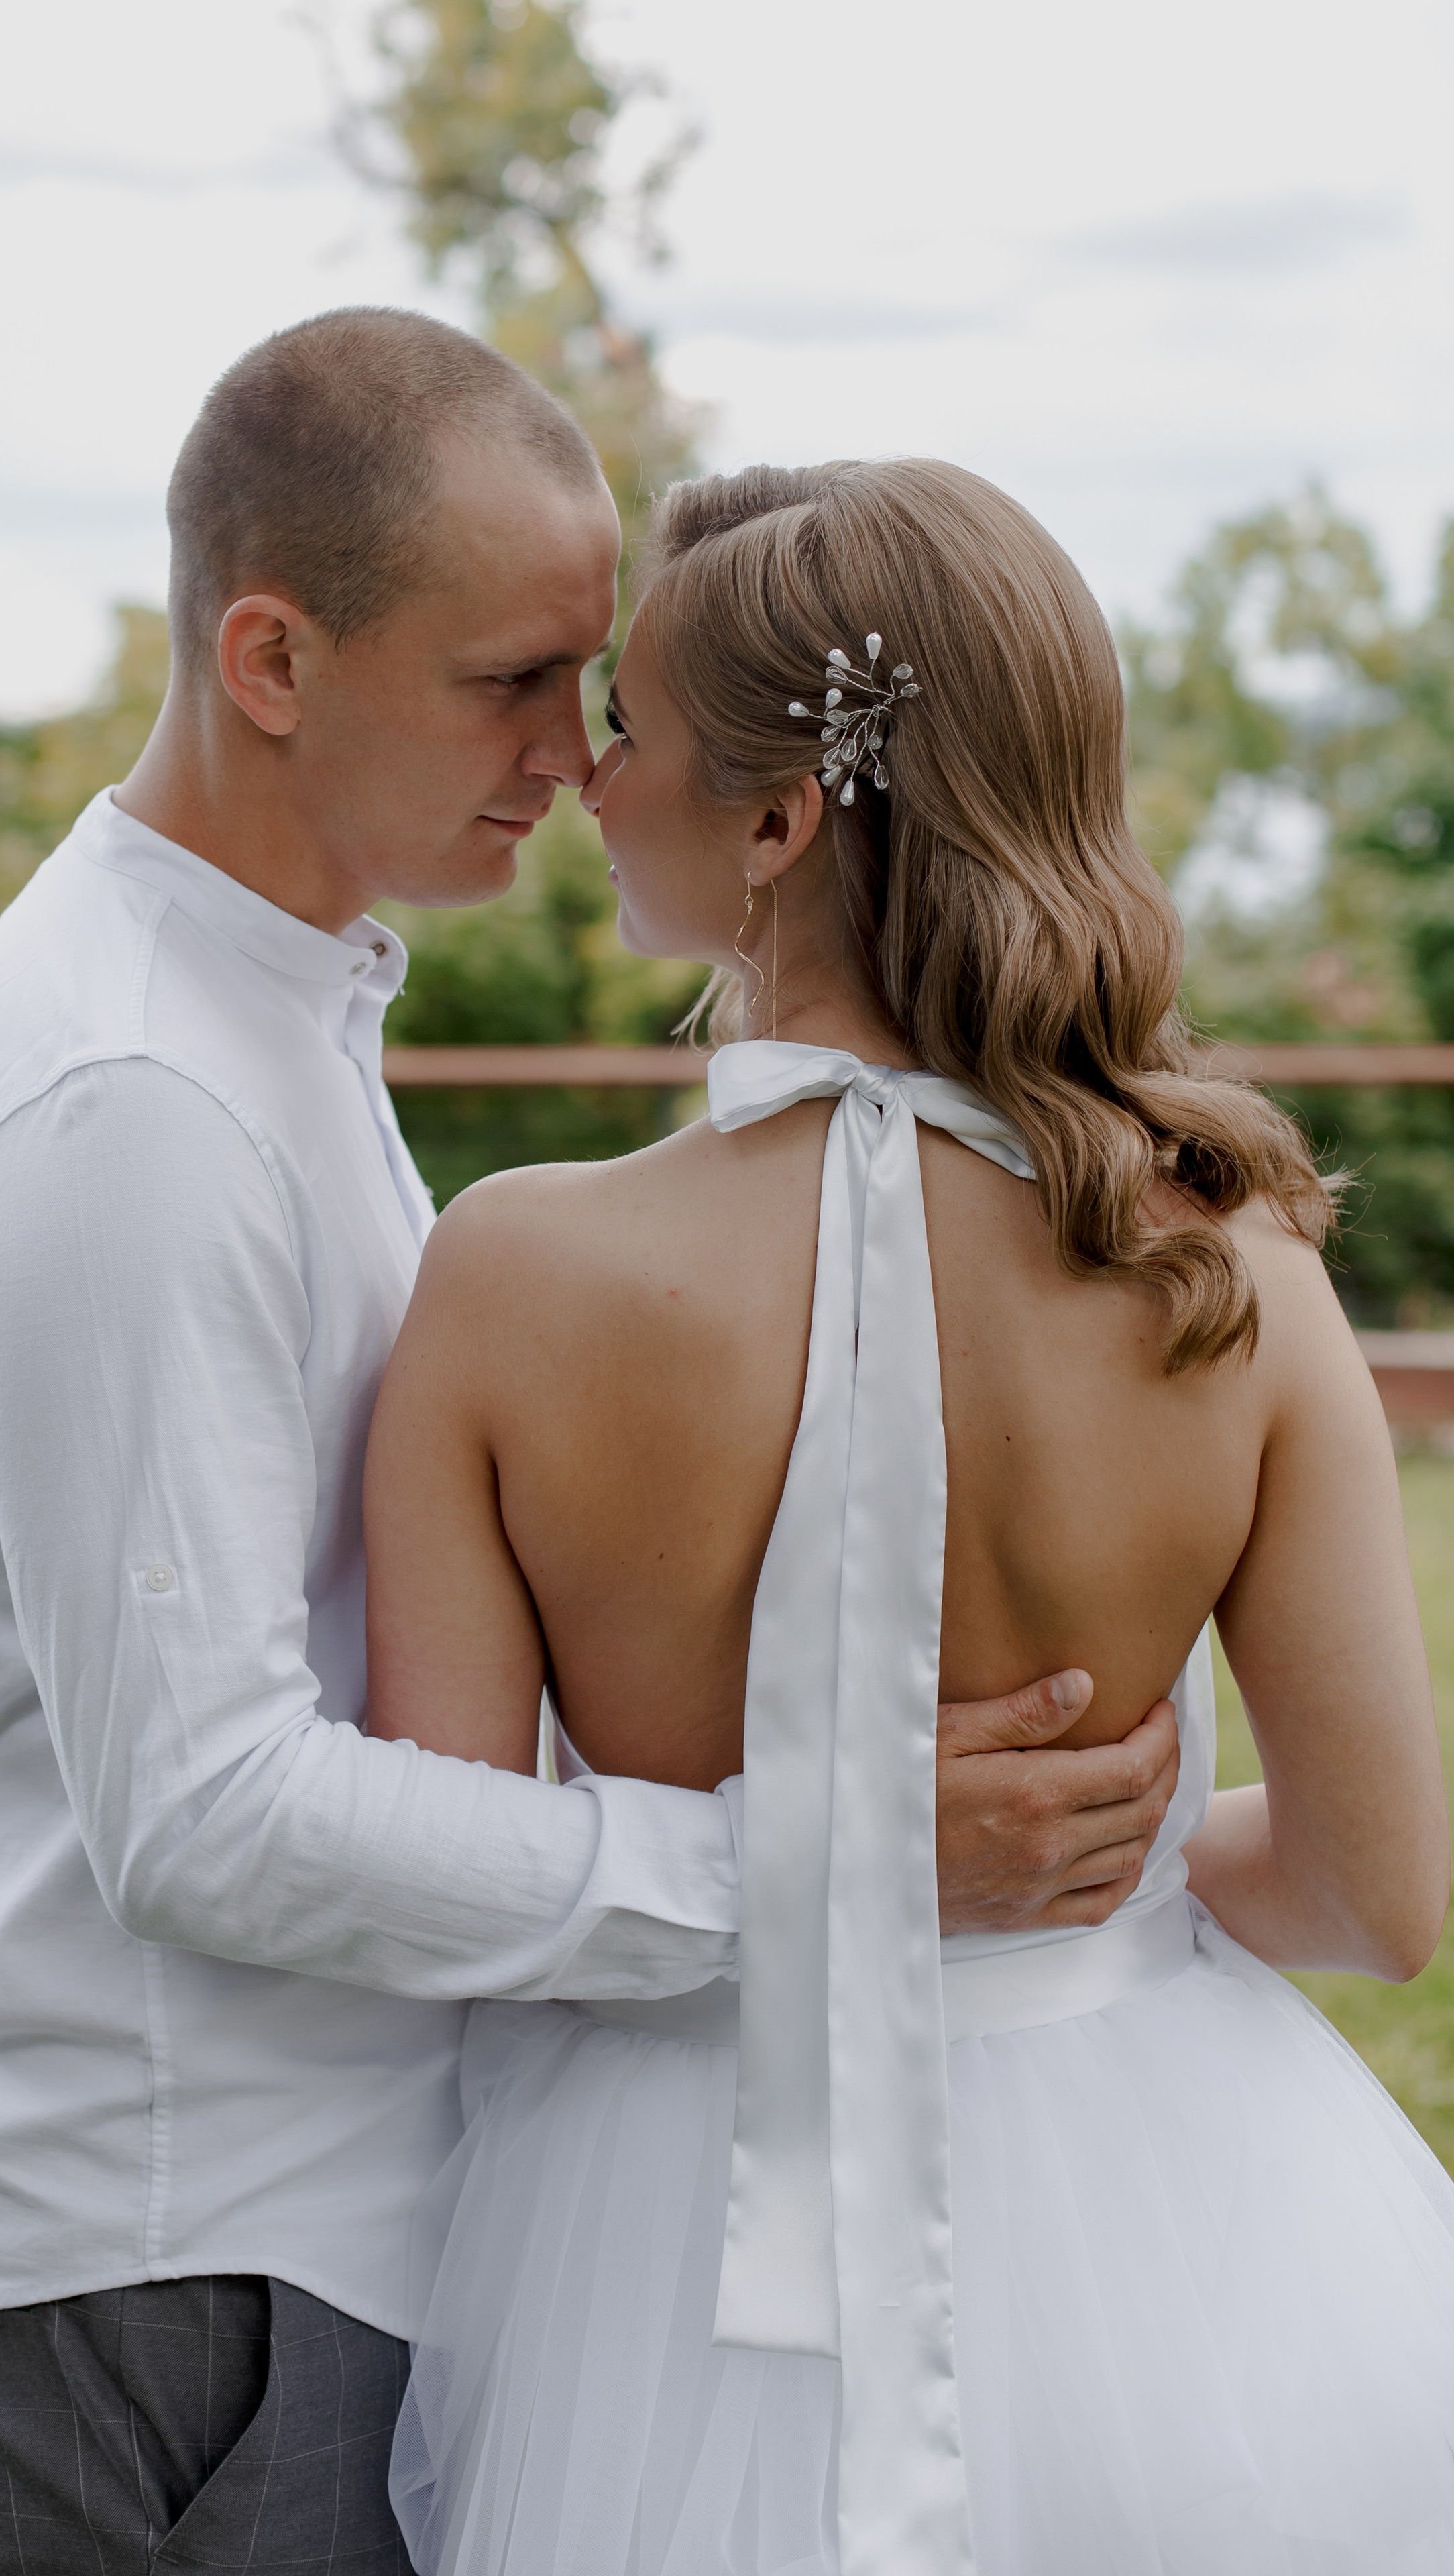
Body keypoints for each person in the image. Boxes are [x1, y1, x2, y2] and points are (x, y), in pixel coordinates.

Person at [0, 320, 1170, 2573]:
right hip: (180, 2261)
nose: (578, 755)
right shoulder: (132, 1109)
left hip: (301, 2219)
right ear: (270, 655)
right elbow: (209, 1817)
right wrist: (821, 1868)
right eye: (511, 682)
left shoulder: (270, 1011)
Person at [366, 458, 1454, 2574]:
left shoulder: (512, 1273)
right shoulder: (1231, 1264)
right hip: (1194, 2246)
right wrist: (1099, 1869)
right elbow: (1373, 1896)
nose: (590, 773)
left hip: (672, 2260)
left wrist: (795, 1861)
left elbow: (447, 1889)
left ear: (779, 825)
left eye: (636, 732)